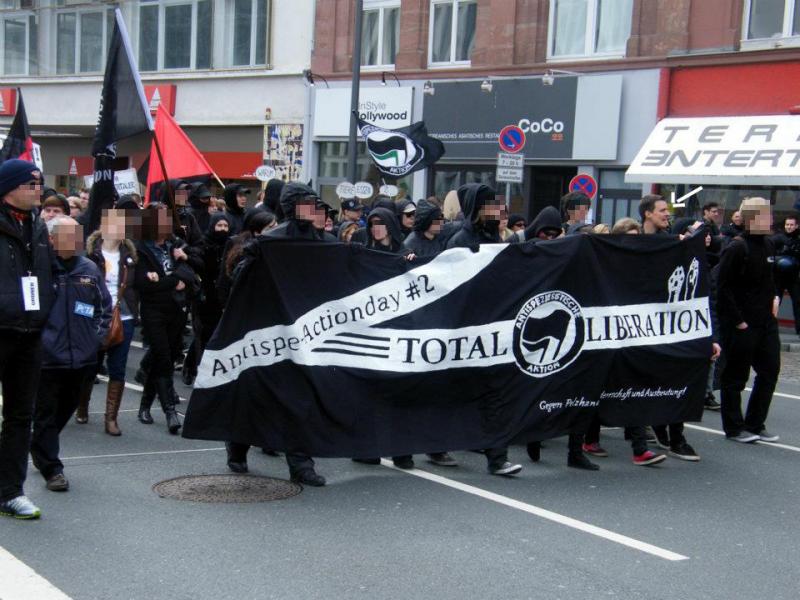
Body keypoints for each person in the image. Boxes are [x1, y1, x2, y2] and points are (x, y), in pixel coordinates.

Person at [224, 182, 332, 487]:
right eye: (308, 203)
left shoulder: (325, 241)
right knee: (258, 393)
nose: (315, 209)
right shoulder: (272, 240)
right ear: (294, 206)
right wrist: (252, 256)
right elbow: (240, 280)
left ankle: (300, 463)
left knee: (302, 397)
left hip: (310, 332)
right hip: (270, 331)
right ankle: (238, 444)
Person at [30, 216, 112, 492]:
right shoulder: (39, 267)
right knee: (45, 412)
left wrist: (95, 339)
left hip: (82, 357)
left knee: (63, 410)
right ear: (51, 239)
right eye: (67, 235)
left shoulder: (88, 268)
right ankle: (52, 467)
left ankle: (39, 445)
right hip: (46, 358)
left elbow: (103, 308)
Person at [446, 183, 522, 477]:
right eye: (490, 205)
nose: (498, 211)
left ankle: (497, 457)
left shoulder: (501, 240)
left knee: (496, 394)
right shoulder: (460, 240)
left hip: (496, 328)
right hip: (466, 329)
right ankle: (437, 444)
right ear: (477, 209)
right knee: (456, 393)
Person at [0, 159, 55, 519]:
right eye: (31, 184)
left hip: (30, 332)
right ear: (10, 188)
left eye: (40, 184)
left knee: (21, 415)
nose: (39, 190)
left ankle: (10, 492)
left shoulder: (37, 225)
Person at [639, 196, 701, 461]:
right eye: (662, 210)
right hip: (640, 321)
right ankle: (648, 431)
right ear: (647, 214)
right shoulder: (633, 241)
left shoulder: (672, 242)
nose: (667, 214)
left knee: (677, 374)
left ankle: (677, 436)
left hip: (669, 321)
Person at [717, 197, 781, 444]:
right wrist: (738, 321)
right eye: (767, 216)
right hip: (742, 324)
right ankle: (734, 427)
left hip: (766, 322)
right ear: (753, 219)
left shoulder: (769, 245)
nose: (772, 220)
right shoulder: (736, 247)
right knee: (735, 376)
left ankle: (755, 423)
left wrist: (774, 297)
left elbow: (770, 279)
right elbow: (722, 288)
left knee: (769, 371)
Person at [134, 204, 197, 434]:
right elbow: (143, 284)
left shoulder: (175, 245)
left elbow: (188, 273)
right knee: (161, 357)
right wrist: (172, 279)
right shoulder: (140, 249)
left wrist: (165, 278)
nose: (166, 223)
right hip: (153, 311)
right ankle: (170, 410)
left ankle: (144, 406)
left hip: (176, 309)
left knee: (165, 358)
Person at [81, 201, 139, 434]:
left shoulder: (131, 256)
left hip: (124, 317)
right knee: (90, 366)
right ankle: (82, 405)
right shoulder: (89, 254)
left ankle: (111, 418)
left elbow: (138, 286)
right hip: (95, 318)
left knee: (118, 368)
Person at [772, 214, 800, 337]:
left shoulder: (798, 239)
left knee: (798, 302)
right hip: (778, 277)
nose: (789, 227)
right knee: (775, 303)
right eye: (787, 224)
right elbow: (769, 255)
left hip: (793, 277)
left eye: (791, 225)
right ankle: (769, 329)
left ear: (797, 226)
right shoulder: (777, 238)